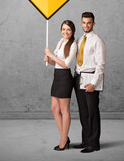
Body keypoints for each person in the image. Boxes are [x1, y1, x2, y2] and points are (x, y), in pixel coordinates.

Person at [73, 12, 106, 153]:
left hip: (91, 78)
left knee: (92, 112)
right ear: (81, 23)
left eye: (89, 22)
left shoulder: (97, 40)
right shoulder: (80, 39)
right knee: (83, 112)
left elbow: (101, 64)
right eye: (84, 22)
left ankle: (94, 144)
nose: (86, 25)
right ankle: (85, 140)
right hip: (79, 78)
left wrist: (93, 83)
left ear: (93, 23)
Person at [44, 20, 78, 151]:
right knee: (54, 108)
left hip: (65, 78)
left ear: (72, 31)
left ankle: (63, 141)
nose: (65, 32)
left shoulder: (73, 45)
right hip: (57, 77)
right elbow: (57, 63)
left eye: (68, 30)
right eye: (63, 29)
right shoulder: (60, 41)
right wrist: (49, 60)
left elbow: (66, 64)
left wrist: (51, 55)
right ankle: (65, 136)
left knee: (64, 111)